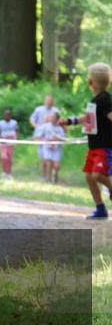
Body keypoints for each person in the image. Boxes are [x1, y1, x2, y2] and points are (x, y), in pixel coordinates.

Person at [59, 63, 112, 219]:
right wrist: (71, 121)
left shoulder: (105, 100)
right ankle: (100, 208)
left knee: (98, 175)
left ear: (90, 83)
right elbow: (88, 118)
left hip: (104, 146)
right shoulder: (95, 100)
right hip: (93, 147)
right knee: (89, 176)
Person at [31, 95, 59, 180]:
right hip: (41, 137)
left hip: (52, 138)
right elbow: (32, 119)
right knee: (43, 158)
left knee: (51, 159)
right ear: (44, 101)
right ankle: (45, 175)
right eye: (47, 100)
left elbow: (60, 121)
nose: (49, 102)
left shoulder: (56, 110)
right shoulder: (38, 109)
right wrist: (37, 127)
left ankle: (51, 175)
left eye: (50, 100)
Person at [41, 112, 66, 183]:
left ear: (57, 119)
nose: (51, 119)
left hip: (57, 149)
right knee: (48, 163)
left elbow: (63, 138)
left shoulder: (60, 128)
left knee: (56, 165)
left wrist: (58, 139)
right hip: (47, 147)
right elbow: (40, 135)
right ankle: (48, 178)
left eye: (53, 118)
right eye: (51, 117)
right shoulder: (46, 126)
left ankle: (54, 174)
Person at [0, 109, 18, 180]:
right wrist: (0, 139)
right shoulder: (0, 123)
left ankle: (9, 172)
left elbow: (16, 131)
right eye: (6, 115)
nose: (7, 116)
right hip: (3, 142)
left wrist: (15, 140)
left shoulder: (14, 122)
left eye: (9, 115)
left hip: (11, 142)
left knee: (9, 158)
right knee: (3, 157)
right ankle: (4, 171)